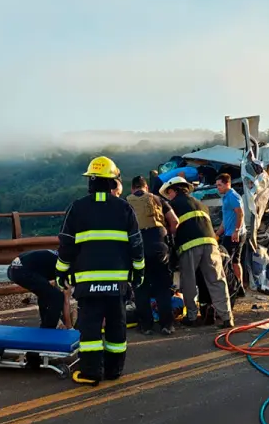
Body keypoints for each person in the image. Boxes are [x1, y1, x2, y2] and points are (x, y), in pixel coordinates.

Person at [56, 156, 144, 386]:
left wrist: (61, 271)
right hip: (117, 282)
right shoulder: (124, 207)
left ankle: (91, 372)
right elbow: (136, 244)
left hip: (88, 282)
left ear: (91, 182)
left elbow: (66, 244)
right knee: (117, 325)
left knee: (90, 328)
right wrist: (139, 271)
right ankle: (114, 370)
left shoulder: (77, 207)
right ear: (113, 182)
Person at [159, 176, 233, 328]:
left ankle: (192, 317)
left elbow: (170, 228)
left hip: (189, 246)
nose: (169, 196)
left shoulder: (172, 205)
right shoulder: (201, 204)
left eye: (169, 193)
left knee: (189, 282)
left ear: (173, 190)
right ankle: (227, 317)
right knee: (217, 280)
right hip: (211, 244)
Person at [126, 175, 178, 336]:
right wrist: (166, 235)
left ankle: (146, 326)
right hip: (159, 245)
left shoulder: (125, 202)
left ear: (133, 189)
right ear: (146, 187)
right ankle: (167, 325)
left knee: (141, 287)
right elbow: (175, 221)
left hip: (137, 247)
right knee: (162, 287)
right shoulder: (158, 199)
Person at [6, 248, 72, 330]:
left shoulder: (61, 256)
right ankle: (49, 330)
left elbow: (55, 288)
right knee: (57, 297)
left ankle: (44, 326)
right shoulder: (69, 266)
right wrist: (69, 327)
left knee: (46, 294)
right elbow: (66, 299)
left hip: (13, 268)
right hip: (22, 271)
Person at [214, 173, 246, 296]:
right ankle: (240, 287)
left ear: (228, 183)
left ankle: (231, 289)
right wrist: (217, 234)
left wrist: (236, 231)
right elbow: (226, 219)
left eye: (220, 185)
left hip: (233, 235)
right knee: (235, 262)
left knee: (225, 262)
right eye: (217, 185)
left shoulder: (232, 196)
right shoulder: (226, 197)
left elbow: (240, 214)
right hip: (230, 233)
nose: (218, 188)